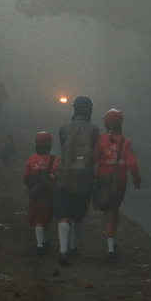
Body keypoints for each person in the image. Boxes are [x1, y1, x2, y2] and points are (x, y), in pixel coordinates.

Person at [52, 95, 100, 266]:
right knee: (78, 215)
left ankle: (63, 251)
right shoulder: (95, 131)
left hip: (65, 176)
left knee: (64, 215)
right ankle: (74, 247)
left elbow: (63, 149)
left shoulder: (64, 129)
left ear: (75, 109)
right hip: (85, 178)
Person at [93, 109, 141, 260]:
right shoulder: (125, 142)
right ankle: (112, 240)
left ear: (106, 123)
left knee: (109, 211)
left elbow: (93, 158)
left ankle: (110, 247)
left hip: (103, 180)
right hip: (120, 182)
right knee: (114, 209)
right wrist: (136, 178)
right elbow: (132, 163)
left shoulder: (100, 139)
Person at [23, 132, 58, 254]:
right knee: (46, 217)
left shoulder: (32, 158)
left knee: (38, 219)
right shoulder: (54, 159)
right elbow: (58, 175)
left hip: (36, 194)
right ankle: (45, 240)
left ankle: (39, 244)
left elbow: (26, 177)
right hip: (49, 194)